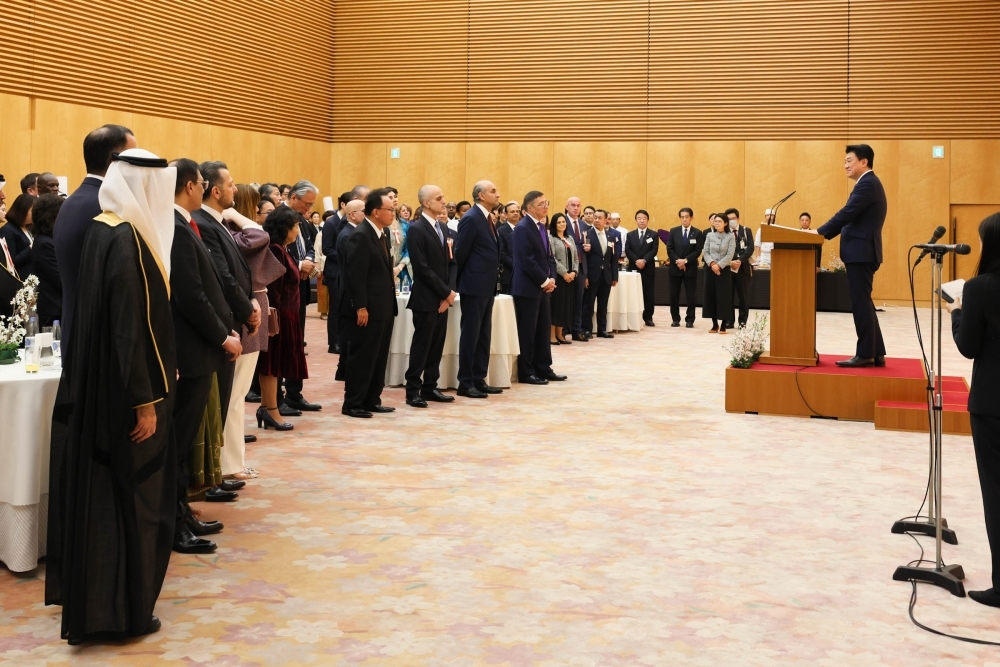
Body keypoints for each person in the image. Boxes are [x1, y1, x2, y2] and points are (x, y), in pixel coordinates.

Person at [45, 149, 176, 645]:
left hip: (107, 387)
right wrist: (145, 400)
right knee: (133, 499)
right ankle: (123, 611)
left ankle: (108, 603)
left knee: (108, 496)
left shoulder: (106, 227)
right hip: (129, 396)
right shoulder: (125, 239)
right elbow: (129, 328)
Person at [168, 158, 240, 554]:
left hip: (203, 347)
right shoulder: (178, 227)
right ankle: (175, 522)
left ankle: (183, 511)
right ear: (192, 186)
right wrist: (221, 336)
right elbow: (191, 295)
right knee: (179, 442)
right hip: (192, 351)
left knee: (187, 436)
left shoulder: (185, 223)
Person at [947, 212, 1000, 608]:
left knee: (996, 494)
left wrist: (956, 313)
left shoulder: (980, 287)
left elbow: (969, 347)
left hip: (992, 404)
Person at [54, 125, 137, 349]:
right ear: (114, 161)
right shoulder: (105, 205)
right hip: (100, 341)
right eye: (132, 157)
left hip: (78, 329)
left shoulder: (74, 200)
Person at [226, 183, 285, 468]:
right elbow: (260, 233)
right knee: (235, 393)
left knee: (236, 392)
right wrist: (236, 214)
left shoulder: (233, 232)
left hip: (250, 308)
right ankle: (232, 464)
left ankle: (233, 460)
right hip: (246, 312)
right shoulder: (239, 233)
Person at [816, 144, 888, 367]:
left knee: (860, 303)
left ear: (864, 161)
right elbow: (850, 216)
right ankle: (875, 352)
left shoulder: (867, 184)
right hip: (862, 251)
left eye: (849, 160)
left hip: (862, 252)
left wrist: (819, 232)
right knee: (863, 301)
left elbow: (847, 213)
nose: (845, 165)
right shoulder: (867, 184)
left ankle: (865, 354)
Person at [341, 188, 398, 418]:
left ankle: (372, 399)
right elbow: (356, 275)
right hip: (367, 309)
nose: (393, 212)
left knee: (378, 355)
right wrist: (360, 306)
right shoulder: (361, 235)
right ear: (376, 211)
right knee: (362, 356)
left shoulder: (380, 234)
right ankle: (353, 403)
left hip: (383, 306)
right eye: (390, 209)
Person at [404, 185, 457, 408]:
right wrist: (445, 292)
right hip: (426, 298)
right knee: (422, 345)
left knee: (437, 345)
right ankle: (413, 389)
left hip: (443, 298)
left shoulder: (442, 228)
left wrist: (449, 293)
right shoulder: (417, 229)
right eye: (439, 198)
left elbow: (451, 263)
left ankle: (430, 386)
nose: (444, 201)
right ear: (426, 203)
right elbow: (422, 268)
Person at [256, 206, 309, 430]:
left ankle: (266, 408)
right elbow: (274, 290)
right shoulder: (276, 250)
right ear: (283, 228)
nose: (298, 230)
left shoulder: (283, 249)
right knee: (271, 365)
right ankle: (271, 410)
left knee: (275, 366)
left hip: (288, 315)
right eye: (295, 226)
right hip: (278, 317)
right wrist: (272, 321)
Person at [512, 191, 565, 385]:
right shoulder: (522, 228)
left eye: (546, 203)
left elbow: (548, 256)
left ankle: (544, 367)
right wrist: (545, 281)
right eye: (541, 204)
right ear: (529, 208)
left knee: (543, 329)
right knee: (528, 331)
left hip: (543, 287)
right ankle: (527, 371)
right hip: (528, 288)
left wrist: (551, 277)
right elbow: (526, 260)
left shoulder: (542, 227)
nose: (545, 206)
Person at [455, 180, 502, 398]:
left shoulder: (488, 218)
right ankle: (465, 381)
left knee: (483, 334)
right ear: (481, 196)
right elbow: (460, 253)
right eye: (493, 191)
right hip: (473, 285)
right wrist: (460, 283)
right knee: (471, 334)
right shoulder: (471, 218)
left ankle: (478, 377)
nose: (498, 194)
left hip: (487, 285)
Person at [334, 199, 365, 381]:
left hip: (349, 290)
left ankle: (344, 369)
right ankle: (344, 370)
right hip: (348, 292)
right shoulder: (348, 235)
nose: (366, 214)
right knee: (348, 334)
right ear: (352, 214)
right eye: (363, 211)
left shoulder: (354, 232)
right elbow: (353, 268)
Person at [583, 209, 619, 338]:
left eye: (599, 218)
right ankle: (587, 329)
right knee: (589, 304)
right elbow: (584, 258)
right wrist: (585, 276)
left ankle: (602, 329)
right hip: (592, 274)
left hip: (606, 275)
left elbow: (614, 258)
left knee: (603, 304)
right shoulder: (587, 234)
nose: (597, 220)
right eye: (595, 217)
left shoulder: (611, 236)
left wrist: (615, 276)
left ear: (606, 220)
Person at [30, 194, 64, 327]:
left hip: (56, 307)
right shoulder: (45, 243)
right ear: (52, 216)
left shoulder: (49, 239)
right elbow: (59, 279)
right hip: (54, 310)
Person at [666, 207, 703, 328]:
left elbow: (698, 250)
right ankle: (675, 319)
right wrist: (678, 261)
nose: (684, 219)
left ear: (691, 218)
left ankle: (690, 319)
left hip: (690, 268)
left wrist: (685, 261)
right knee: (674, 295)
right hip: (675, 268)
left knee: (691, 296)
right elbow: (669, 248)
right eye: (682, 217)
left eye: (687, 217)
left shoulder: (697, 233)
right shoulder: (673, 231)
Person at [702, 213, 736, 333]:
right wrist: (712, 264)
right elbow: (705, 252)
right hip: (710, 269)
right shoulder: (709, 235)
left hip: (724, 270)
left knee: (723, 297)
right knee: (710, 296)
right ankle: (714, 324)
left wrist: (719, 265)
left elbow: (730, 254)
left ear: (725, 223)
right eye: (715, 221)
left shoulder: (730, 236)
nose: (716, 223)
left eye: (719, 221)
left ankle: (723, 324)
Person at [625, 208, 659, 327]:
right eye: (639, 218)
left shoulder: (654, 234)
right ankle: (633, 317)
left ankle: (648, 317)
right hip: (634, 268)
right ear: (636, 220)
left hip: (648, 268)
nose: (642, 221)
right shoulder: (630, 235)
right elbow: (628, 250)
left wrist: (644, 260)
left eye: (644, 218)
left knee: (648, 294)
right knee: (633, 293)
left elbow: (654, 250)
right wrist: (636, 260)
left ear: (648, 220)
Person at [548, 212, 578, 345]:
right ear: (554, 224)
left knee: (566, 306)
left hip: (570, 278)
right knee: (556, 306)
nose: (562, 224)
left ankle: (560, 334)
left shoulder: (569, 238)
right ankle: (552, 335)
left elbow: (576, 257)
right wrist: (564, 272)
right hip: (559, 277)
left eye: (563, 222)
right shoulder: (551, 238)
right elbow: (552, 258)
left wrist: (574, 272)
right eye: (559, 222)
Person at [564, 197, 590, 342]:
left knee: (579, 300)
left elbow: (584, 244)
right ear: (567, 206)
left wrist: (588, 247)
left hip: (581, 266)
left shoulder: (583, 224)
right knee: (566, 299)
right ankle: (564, 328)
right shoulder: (562, 222)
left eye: (578, 206)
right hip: (567, 266)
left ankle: (577, 329)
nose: (576, 208)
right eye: (573, 205)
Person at [725, 207, 755, 328]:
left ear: (738, 218)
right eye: (729, 219)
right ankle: (729, 320)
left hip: (742, 269)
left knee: (743, 296)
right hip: (729, 268)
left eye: (733, 218)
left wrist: (740, 260)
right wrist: (731, 261)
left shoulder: (746, 230)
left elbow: (750, 247)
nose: (732, 221)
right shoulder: (724, 232)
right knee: (728, 296)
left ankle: (742, 321)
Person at [0, 193, 36, 277]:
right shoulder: (8, 230)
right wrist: (31, 248)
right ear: (22, 210)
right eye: (32, 210)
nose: (35, 214)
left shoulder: (29, 227)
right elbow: (11, 263)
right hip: (20, 280)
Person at [386, 187, 411, 287]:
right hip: (385, 270)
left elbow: (409, 248)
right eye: (390, 197)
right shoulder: (382, 225)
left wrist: (400, 267)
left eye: (395, 197)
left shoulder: (404, 225)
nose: (395, 199)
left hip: (402, 270)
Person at [497, 201, 519, 294]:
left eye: (517, 211)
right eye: (512, 211)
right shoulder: (501, 231)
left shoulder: (523, 228)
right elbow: (502, 254)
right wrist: (517, 265)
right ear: (505, 214)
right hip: (509, 274)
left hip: (525, 275)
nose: (515, 213)